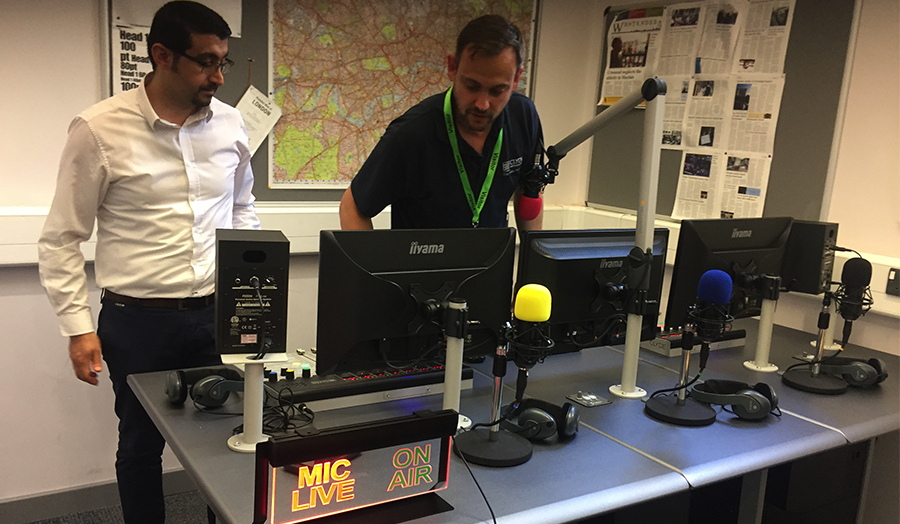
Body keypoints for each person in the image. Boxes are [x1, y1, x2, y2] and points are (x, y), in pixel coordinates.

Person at [37, 2, 259, 523]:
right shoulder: (99, 130)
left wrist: (245, 281)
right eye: (206, 62)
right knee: (140, 446)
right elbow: (61, 237)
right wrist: (76, 328)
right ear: (161, 55)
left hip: (214, 314)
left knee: (224, 440)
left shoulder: (230, 125)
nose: (219, 76)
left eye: (223, 61)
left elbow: (243, 203)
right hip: (136, 321)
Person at [339, 14, 544, 234]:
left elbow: (530, 189)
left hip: (493, 265)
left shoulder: (523, 116)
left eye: (497, 91)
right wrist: (373, 267)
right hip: (424, 266)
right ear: (452, 67)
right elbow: (353, 208)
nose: (483, 104)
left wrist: (532, 262)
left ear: (516, 79)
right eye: (472, 85)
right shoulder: (412, 134)